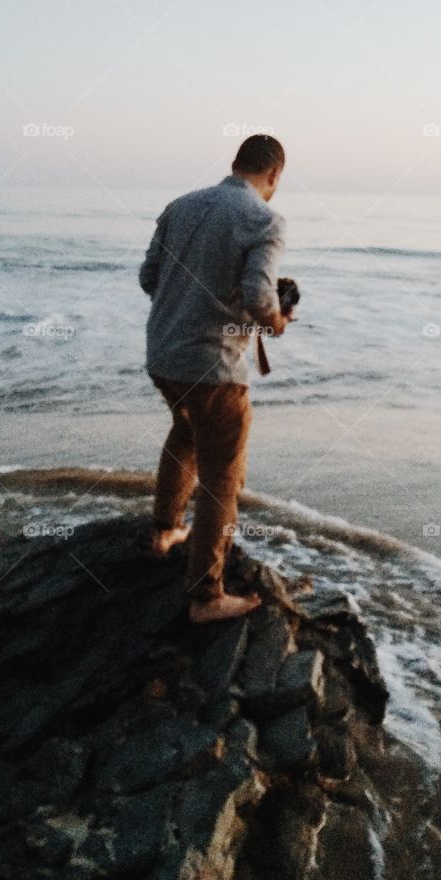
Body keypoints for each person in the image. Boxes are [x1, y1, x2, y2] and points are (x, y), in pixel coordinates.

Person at [138, 134, 291, 623]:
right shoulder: (264, 219)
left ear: (235, 164)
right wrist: (277, 321)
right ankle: (206, 595)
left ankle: (165, 530)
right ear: (274, 176)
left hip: (163, 355)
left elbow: (148, 278)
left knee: (186, 432)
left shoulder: (180, 206)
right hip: (214, 368)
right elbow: (259, 298)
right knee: (224, 473)